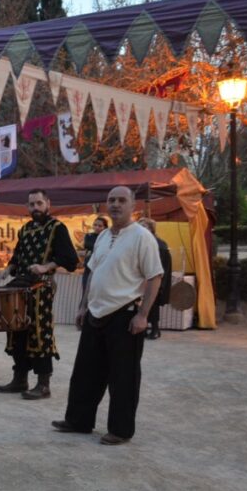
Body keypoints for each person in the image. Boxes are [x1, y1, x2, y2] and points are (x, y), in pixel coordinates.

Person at [53, 186, 163, 446]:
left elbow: (155, 276)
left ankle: (121, 430)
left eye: (121, 200)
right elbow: (92, 272)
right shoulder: (102, 236)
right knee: (85, 372)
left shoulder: (141, 237)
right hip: (95, 313)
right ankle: (78, 420)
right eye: (111, 200)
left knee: (123, 377)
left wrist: (143, 315)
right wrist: (82, 306)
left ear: (132, 205)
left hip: (124, 317)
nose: (115, 204)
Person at [0, 189, 79, 400]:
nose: (36, 208)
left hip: (42, 287)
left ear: (48, 204)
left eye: (39, 203)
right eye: (32, 204)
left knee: (40, 333)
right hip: (21, 287)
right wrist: (8, 269)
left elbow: (69, 259)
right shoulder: (25, 230)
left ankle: (43, 384)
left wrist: (45, 266)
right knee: (17, 331)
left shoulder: (56, 228)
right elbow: (17, 258)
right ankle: (20, 379)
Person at [138, 218, 172, 340]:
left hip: (155, 280)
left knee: (153, 305)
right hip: (143, 280)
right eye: (139, 226)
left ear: (151, 229)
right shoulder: (141, 242)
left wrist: (159, 283)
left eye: (144, 226)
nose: (141, 229)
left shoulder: (159, 245)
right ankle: (145, 328)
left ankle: (155, 329)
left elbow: (162, 267)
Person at [81, 216, 108, 293]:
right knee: (85, 292)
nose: (97, 227)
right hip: (88, 268)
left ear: (105, 227)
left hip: (100, 269)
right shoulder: (89, 236)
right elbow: (88, 245)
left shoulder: (107, 238)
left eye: (100, 226)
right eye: (95, 225)